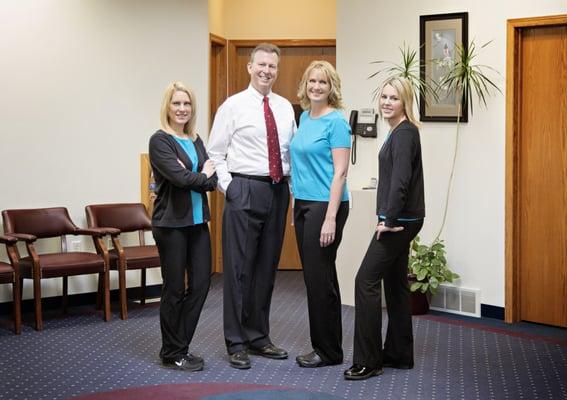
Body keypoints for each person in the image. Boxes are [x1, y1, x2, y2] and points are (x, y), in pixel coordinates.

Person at [207, 43, 296, 369]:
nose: (267, 71)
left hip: (277, 191)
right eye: (261, 64)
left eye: (272, 66)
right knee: (238, 270)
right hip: (244, 188)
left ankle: (259, 336)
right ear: (250, 67)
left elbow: (290, 153)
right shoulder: (232, 106)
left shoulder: (285, 107)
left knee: (265, 269)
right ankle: (236, 342)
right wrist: (231, 190)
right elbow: (216, 154)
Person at [344, 76, 425, 380]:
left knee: (365, 280)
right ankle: (399, 354)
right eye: (384, 97)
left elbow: (401, 181)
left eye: (394, 98)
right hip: (407, 217)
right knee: (395, 284)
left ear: (405, 102)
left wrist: (388, 220)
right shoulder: (400, 131)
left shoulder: (403, 134)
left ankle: (368, 360)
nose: (388, 102)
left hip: (400, 221)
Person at [149, 81, 217, 371]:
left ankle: (180, 346)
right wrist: (201, 174)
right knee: (174, 288)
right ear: (167, 106)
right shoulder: (160, 140)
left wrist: (199, 175)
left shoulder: (196, 139)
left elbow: (211, 181)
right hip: (171, 224)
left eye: (186, 104)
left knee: (201, 284)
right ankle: (172, 351)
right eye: (176, 103)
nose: (182, 109)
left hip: (198, 221)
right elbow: (180, 179)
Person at [291, 60, 351, 368]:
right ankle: (326, 347)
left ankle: (328, 352)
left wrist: (329, 218)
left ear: (331, 88)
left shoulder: (336, 122)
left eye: (323, 83)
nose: (316, 87)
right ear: (305, 85)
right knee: (317, 277)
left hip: (326, 206)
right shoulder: (304, 117)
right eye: (312, 81)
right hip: (302, 204)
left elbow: (340, 172)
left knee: (320, 278)